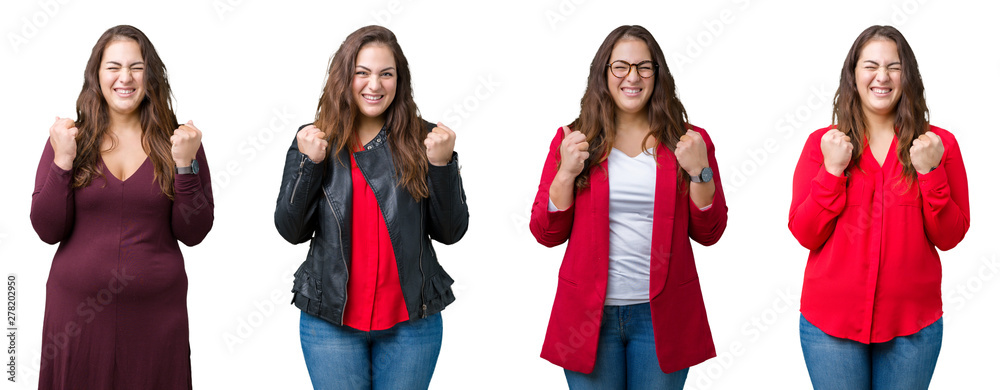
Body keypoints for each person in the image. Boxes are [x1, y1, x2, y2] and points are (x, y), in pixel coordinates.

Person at [529, 25, 728, 389]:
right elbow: (546, 233)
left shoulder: (688, 141)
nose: (632, 77)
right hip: (588, 316)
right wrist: (566, 174)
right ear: (604, 74)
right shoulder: (573, 139)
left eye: (644, 67)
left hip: (661, 316)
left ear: (657, 74)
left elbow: (710, 232)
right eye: (620, 66)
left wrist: (699, 171)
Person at [274, 25, 468, 389]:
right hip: (330, 321)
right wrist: (309, 163)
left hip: (411, 323)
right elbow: (291, 230)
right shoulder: (315, 139)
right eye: (361, 73)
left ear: (400, 81)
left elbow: (451, 232)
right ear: (344, 77)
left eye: (386, 74)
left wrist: (442, 166)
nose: (373, 85)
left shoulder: (427, 140)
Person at [30, 25, 213, 389]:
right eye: (113, 67)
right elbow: (47, 230)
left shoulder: (179, 141)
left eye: (137, 67)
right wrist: (62, 160)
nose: (124, 78)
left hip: (157, 318)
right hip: (76, 319)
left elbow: (193, 232)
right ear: (97, 76)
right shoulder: (69, 139)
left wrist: (184, 166)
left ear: (151, 75)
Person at [789, 25, 969, 390]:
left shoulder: (938, 145)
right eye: (871, 65)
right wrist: (832, 170)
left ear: (908, 76)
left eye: (894, 66)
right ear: (853, 74)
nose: (882, 76)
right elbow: (805, 233)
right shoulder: (822, 145)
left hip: (912, 328)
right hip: (830, 328)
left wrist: (930, 173)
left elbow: (950, 236)